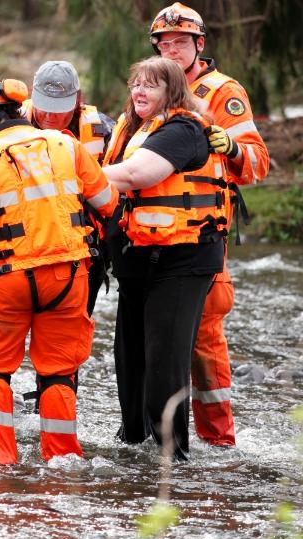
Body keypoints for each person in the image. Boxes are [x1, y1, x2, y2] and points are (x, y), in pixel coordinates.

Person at [0, 78, 118, 465]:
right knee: (58, 373)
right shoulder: (67, 144)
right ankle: (63, 463)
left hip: (7, 280)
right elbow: (108, 203)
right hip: (67, 277)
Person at [149, 2, 270, 447]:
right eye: (164, 43)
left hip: (202, 235)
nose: (172, 49)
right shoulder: (149, 87)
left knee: (204, 337)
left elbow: (258, 164)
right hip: (152, 237)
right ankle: (159, 436)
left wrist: (232, 148)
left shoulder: (223, 92)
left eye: (180, 42)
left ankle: (219, 442)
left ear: (199, 45)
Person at [102, 56, 229, 461]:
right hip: (137, 259)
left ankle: (173, 462)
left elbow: (138, 175)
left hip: (182, 262)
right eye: (136, 84)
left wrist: (63, 173)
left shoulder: (184, 129)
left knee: (163, 368)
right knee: (130, 367)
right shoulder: (129, 129)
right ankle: (133, 453)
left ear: (171, 92)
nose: (139, 92)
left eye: (150, 86)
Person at [22, 60, 115, 315]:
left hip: (83, 252)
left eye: (58, 108)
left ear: (77, 99)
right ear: (32, 92)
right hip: (17, 250)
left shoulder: (105, 129)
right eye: (44, 106)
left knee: (66, 345)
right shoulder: (7, 122)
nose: (50, 116)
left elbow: (123, 193)